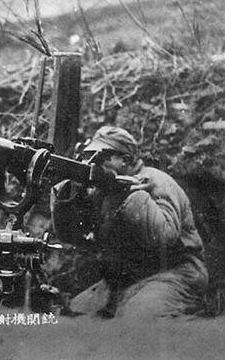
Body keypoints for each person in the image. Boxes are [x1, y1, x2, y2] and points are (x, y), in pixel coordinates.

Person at [50, 126, 208, 319]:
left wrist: (132, 195)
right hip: (123, 280)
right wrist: (68, 195)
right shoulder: (103, 191)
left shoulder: (156, 181)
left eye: (100, 158)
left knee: (137, 318)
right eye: (87, 156)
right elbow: (72, 236)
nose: (92, 164)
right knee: (76, 314)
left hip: (173, 274)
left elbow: (164, 237)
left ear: (125, 160)